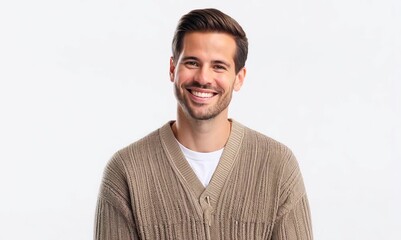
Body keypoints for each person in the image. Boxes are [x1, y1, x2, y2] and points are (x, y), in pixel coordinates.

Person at [94, 8, 313, 240]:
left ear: (239, 78)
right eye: (192, 62)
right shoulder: (127, 171)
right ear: (172, 69)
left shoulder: (277, 166)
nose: (203, 78)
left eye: (218, 66)